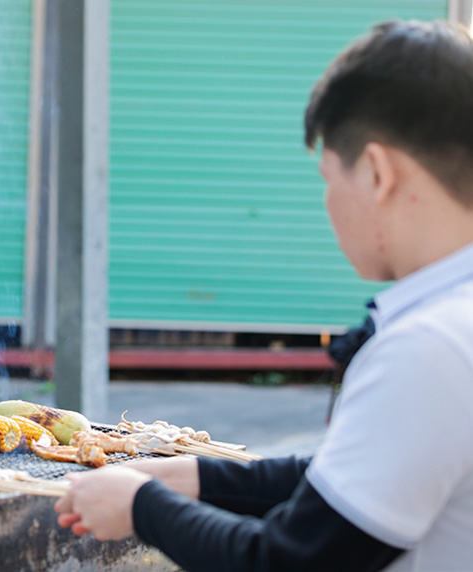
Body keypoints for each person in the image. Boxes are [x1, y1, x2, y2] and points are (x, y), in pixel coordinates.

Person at [54, 19, 473, 571]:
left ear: (377, 172)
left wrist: (142, 507)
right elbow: (351, 483)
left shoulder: (428, 349)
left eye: (328, 178)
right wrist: (193, 476)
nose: (326, 203)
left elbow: (289, 561)